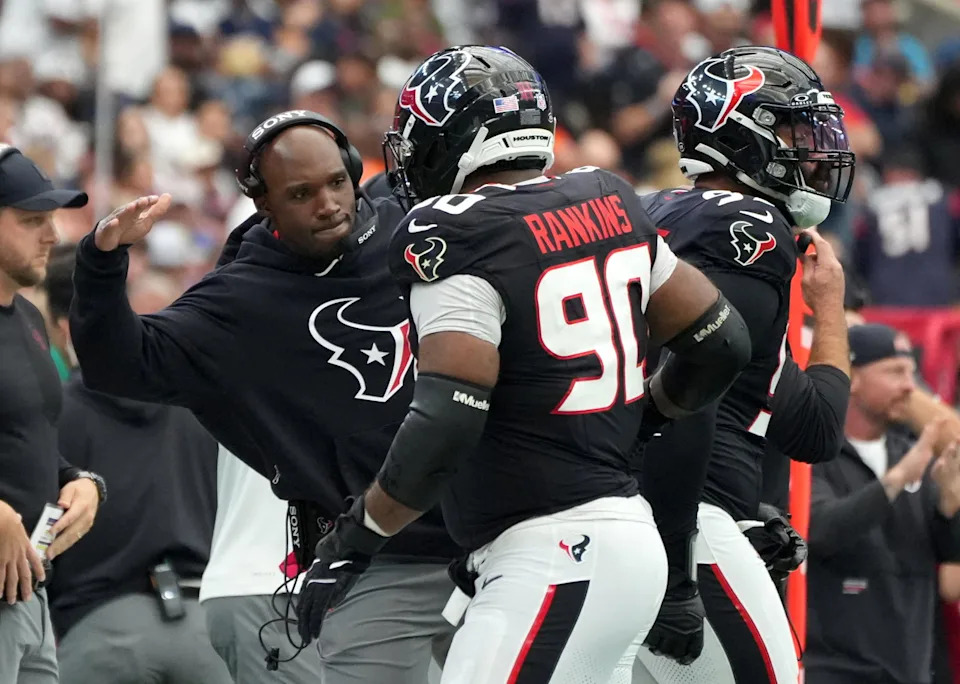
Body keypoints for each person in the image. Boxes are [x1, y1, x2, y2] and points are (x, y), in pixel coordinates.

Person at [293, 45, 752, 684]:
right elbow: (720, 342)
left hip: (556, 554)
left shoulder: (454, 231)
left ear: (457, 139)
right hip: (621, 542)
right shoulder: (607, 197)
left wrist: (352, 543)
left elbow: (445, 422)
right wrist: (643, 419)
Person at [68, 113, 459, 683]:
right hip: (376, 562)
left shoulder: (410, 227)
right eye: (300, 193)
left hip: (480, 539)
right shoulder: (237, 303)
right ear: (264, 207)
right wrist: (102, 263)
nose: (327, 204)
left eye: (336, 183)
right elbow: (119, 365)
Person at [629, 46, 856, 684]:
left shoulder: (656, 213)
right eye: (793, 132)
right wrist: (681, 566)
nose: (812, 152)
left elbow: (810, 427)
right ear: (741, 134)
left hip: (612, 513)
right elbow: (688, 398)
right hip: (684, 522)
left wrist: (825, 307)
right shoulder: (749, 228)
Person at [42, 251, 229, 684]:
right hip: (203, 630)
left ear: (66, 327)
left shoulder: (54, 410)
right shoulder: (195, 403)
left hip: (99, 631)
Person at [0, 144, 104, 683]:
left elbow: (28, 439)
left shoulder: (30, 321)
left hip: (32, 597)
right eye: (31, 220)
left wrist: (80, 482)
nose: (53, 235)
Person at [806, 324, 960, 684]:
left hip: (910, 669)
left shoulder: (909, 455)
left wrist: (951, 503)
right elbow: (821, 530)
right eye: (894, 372)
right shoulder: (813, 455)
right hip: (833, 669)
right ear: (853, 379)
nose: (910, 385)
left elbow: (950, 558)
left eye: (911, 372)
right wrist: (895, 480)